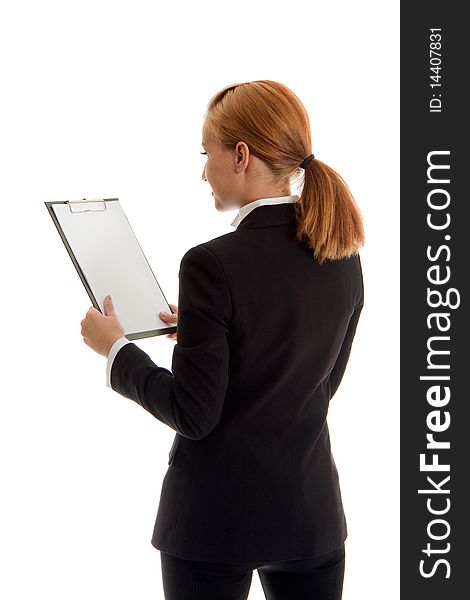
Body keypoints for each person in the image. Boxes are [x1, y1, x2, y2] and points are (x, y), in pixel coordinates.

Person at [80, 80, 365, 600]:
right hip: (311, 518)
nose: (202, 171)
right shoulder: (342, 252)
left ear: (240, 155)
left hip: (214, 524)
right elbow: (315, 385)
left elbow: (194, 413)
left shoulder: (211, 263)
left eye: (205, 154)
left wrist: (117, 350)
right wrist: (206, 333)